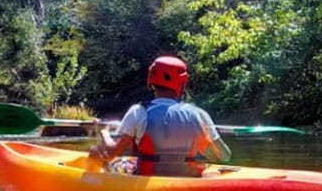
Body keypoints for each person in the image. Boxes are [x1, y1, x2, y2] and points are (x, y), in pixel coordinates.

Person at [89, 55, 231, 176]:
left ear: (151, 81)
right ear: (182, 83)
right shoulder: (200, 115)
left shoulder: (138, 111)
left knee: (96, 153)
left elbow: (111, 153)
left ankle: (90, 190)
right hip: (188, 178)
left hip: (146, 178)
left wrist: (104, 132)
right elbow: (224, 156)